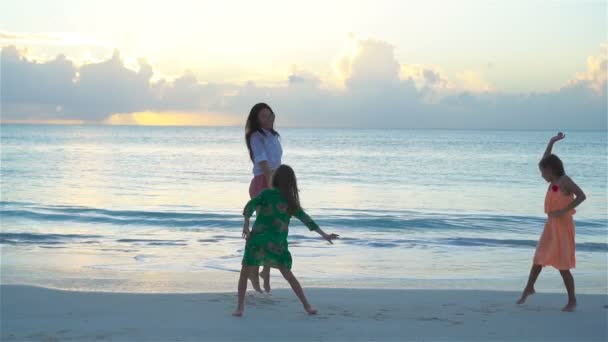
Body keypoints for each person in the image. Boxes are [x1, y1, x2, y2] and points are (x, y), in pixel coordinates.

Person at [232, 165, 339, 317]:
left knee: (244, 273)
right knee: (288, 275)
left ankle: (240, 308)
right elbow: (306, 219)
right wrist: (325, 235)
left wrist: (246, 226)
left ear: (275, 179)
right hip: (277, 244)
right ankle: (307, 306)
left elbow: (249, 206)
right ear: (291, 183)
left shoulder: (266, 194)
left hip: (257, 240)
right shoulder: (290, 201)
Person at [516, 132, 586, 312]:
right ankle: (529, 288)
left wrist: (564, 210)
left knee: (563, 265)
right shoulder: (553, 180)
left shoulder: (565, 181)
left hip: (563, 227)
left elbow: (582, 196)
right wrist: (551, 141)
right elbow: (545, 159)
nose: (541, 175)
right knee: (538, 257)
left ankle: (572, 301)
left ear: (552, 170)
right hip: (551, 226)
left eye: (543, 172)